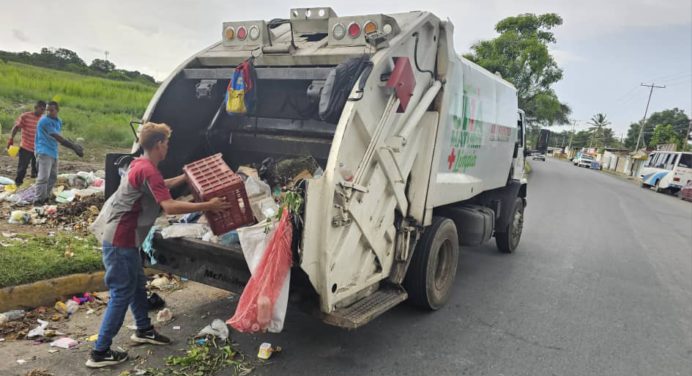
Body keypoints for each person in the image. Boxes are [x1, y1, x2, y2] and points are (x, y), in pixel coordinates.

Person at [87, 122, 231, 369]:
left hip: (126, 239)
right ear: (158, 145)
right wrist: (208, 206)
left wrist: (187, 176)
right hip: (121, 241)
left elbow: (161, 185)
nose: (167, 148)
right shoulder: (148, 170)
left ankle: (143, 330)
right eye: (166, 143)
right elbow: (170, 206)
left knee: (136, 286)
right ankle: (99, 352)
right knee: (122, 293)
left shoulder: (141, 164)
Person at [33, 101, 84, 203]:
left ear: (57, 110)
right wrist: (74, 147)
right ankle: (38, 200)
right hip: (43, 151)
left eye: (51, 110)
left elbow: (59, 136)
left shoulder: (58, 121)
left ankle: (46, 197)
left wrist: (74, 145)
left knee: (52, 177)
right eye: (47, 110)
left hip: (53, 151)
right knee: (43, 177)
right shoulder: (44, 121)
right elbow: (58, 137)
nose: (48, 112)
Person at [7, 100, 46, 186]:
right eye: (41, 109)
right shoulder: (25, 116)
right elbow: (16, 127)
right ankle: (18, 184)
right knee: (22, 168)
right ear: (35, 108)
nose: (42, 111)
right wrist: (11, 138)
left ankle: (33, 186)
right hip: (26, 147)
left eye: (44, 110)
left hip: (38, 148)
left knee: (36, 169)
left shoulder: (43, 119)